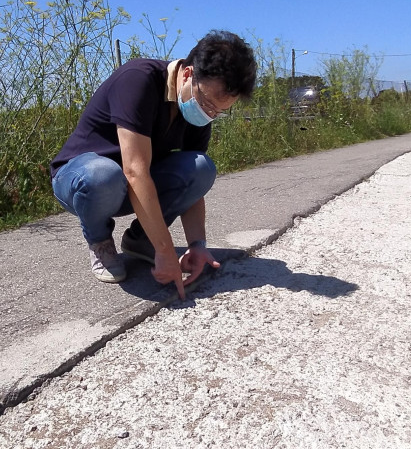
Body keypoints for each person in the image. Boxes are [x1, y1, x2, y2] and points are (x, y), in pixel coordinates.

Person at [50, 30, 257, 299]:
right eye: (206, 103)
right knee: (103, 175)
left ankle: (140, 240)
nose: (209, 114)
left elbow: (193, 187)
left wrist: (197, 244)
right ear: (187, 74)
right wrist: (166, 250)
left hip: (128, 186)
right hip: (81, 180)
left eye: (218, 111)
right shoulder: (138, 79)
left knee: (201, 166)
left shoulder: (197, 113)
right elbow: (135, 170)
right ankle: (100, 242)